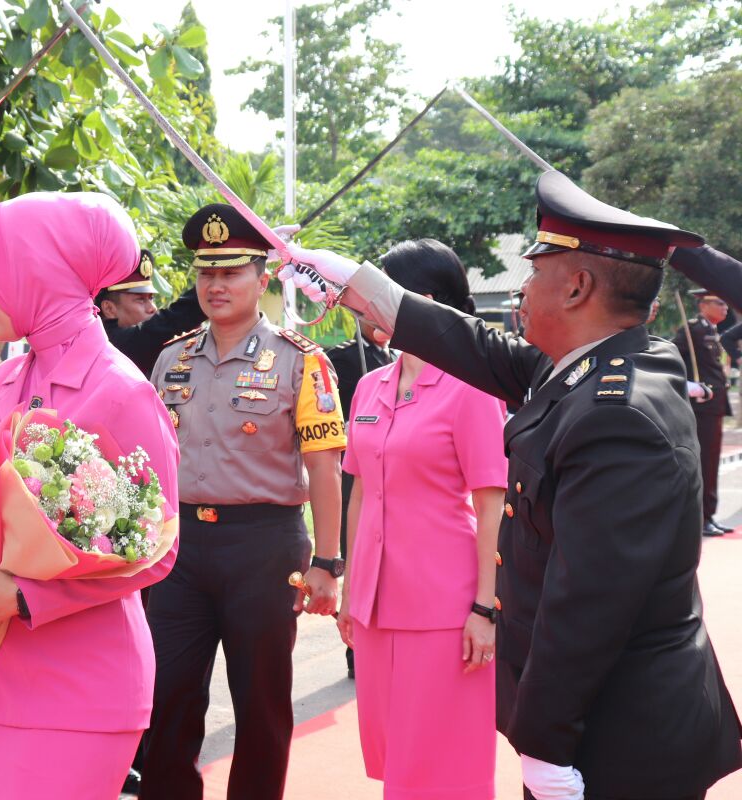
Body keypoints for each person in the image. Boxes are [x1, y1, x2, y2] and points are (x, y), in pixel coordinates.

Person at [283, 169, 742, 800]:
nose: (522, 289)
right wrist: (345, 277)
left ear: (578, 286)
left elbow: (588, 606)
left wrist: (546, 744)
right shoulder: (597, 366)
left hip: (620, 734)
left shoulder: (618, 413)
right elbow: (466, 342)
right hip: (598, 717)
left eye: (536, 271)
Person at [0, 191, 179, 799]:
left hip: (75, 687)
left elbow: (157, 550)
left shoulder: (121, 391)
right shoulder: (9, 376)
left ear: (35, 273)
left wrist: (21, 597)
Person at [140, 204, 346, 800]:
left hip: (265, 545)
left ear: (262, 277)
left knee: (261, 699)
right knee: (169, 695)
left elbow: (324, 469)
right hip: (181, 550)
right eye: (206, 273)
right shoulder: (169, 359)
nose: (216, 285)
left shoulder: (301, 360)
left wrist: (327, 562)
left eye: (231, 272)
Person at [338, 239, 506, 800]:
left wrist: (485, 607)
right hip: (378, 604)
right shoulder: (369, 386)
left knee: (444, 760)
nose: (364, 309)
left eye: (377, 295)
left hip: (444, 607)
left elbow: (491, 504)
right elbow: (359, 491)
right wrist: (350, 594)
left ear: (421, 301)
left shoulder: (472, 388)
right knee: (395, 758)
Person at [325, 317, 393, 680]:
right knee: (358, 556)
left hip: (392, 472)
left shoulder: (393, 356)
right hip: (358, 469)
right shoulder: (344, 358)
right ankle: (356, 652)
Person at [674, 289, 733, 536]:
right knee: (704, 462)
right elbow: (673, 358)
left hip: (715, 407)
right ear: (703, 305)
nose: (725, 308)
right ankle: (701, 517)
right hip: (702, 408)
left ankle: (709, 514)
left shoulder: (711, 331)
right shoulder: (693, 330)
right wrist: (690, 387)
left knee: (710, 461)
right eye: (720, 303)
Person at [98, 247, 207, 376]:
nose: (153, 308)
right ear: (109, 309)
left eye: (151, 298)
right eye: (140, 300)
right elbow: (171, 320)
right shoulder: (108, 343)